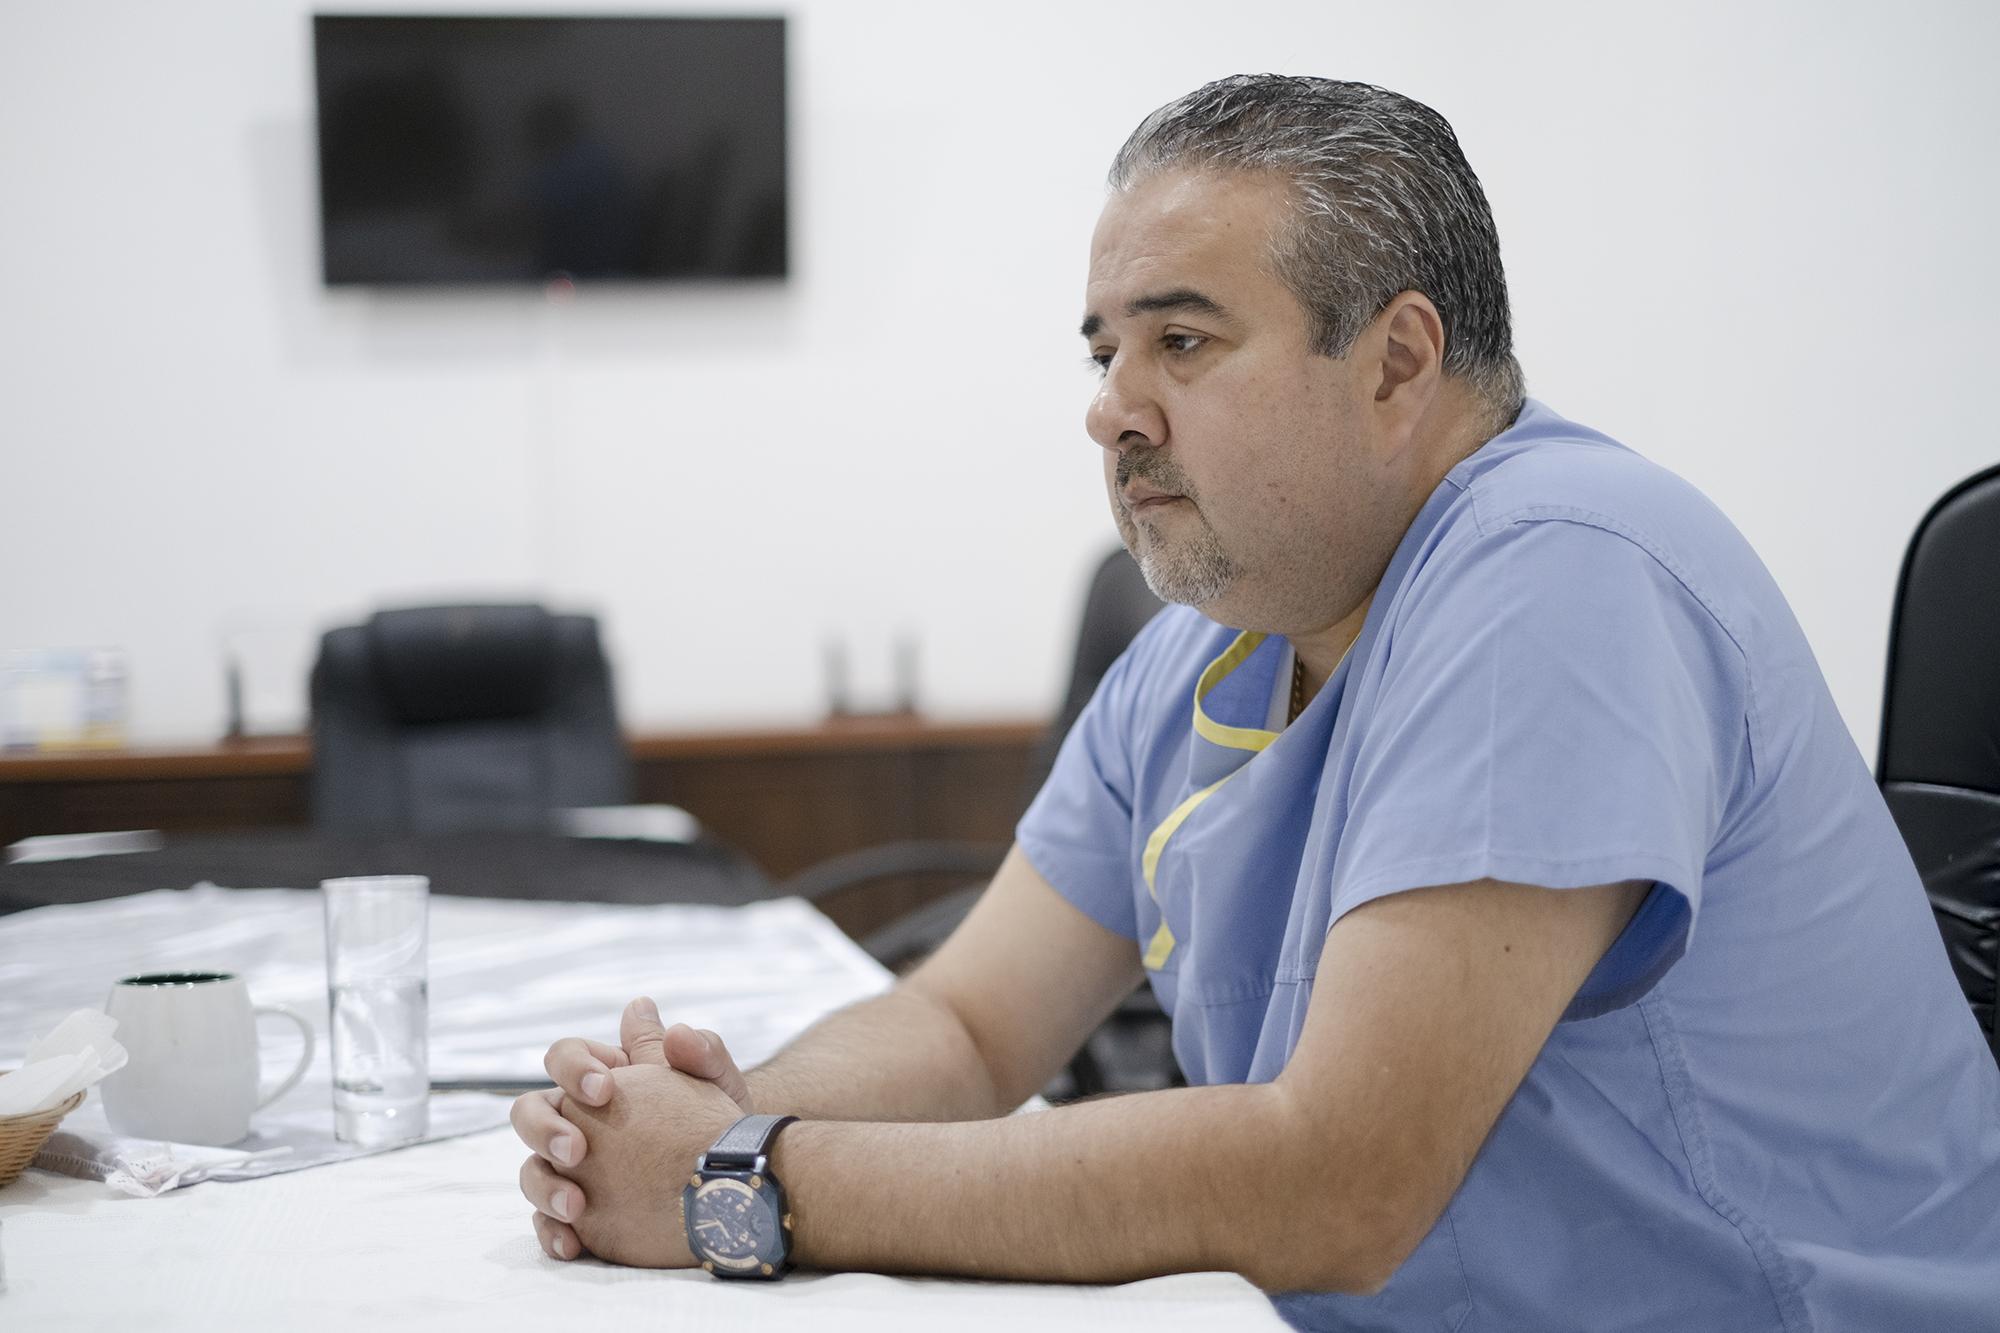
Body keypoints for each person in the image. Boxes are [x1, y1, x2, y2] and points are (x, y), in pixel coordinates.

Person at [511, 75, 2000, 1329]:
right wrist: (711, 1118)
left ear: (1398, 363)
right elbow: (968, 1026)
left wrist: (749, 1184)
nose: (1112, 406)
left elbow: (1336, 1179)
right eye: (1105, 353)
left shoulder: (1562, 573)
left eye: (1183, 340)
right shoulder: (1209, 649)